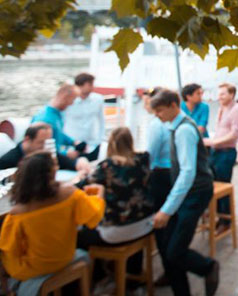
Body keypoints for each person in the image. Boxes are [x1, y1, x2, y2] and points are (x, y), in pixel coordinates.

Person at [0, 151, 105, 296]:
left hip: (35, 267)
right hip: (65, 256)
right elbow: (93, 216)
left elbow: (9, 249)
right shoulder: (69, 194)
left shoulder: (18, 213)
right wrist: (98, 196)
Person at [149, 89, 219, 296]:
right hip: (190, 192)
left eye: (160, 110)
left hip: (195, 192)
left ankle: (207, 267)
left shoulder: (184, 131)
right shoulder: (176, 126)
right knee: (172, 249)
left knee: (175, 250)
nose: (157, 115)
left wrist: (167, 209)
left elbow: (188, 172)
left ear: (173, 105)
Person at [75, 128, 154, 283]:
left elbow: (81, 186)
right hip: (146, 225)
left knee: (80, 236)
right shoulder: (144, 159)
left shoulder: (107, 167)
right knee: (132, 214)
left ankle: (95, 276)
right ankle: (132, 274)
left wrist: (81, 177)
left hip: (117, 232)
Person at [204, 83, 238, 229]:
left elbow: (235, 134)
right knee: (214, 183)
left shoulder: (237, 109)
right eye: (219, 94)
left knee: (223, 184)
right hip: (216, 150)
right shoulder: (222, 108)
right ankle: (217, 214)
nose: (219, 97)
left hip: (226, 151)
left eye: (222, 94)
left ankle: (225, 219)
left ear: (231, 94)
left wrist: (214, 141)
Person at [0, 122, 83, 172]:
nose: (45, 147)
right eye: (41, 143)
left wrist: (78, 163)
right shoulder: (8, 161)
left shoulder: (45, 151)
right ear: (27, 139)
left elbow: (66, 161)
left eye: (47, 142)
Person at [62, 72, 104, 160]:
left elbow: (101, 121)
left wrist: (99, 140)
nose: (93, 87)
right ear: (80, 85)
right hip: (72, 144)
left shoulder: (98, 99)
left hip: (92, 143)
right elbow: (62, 120)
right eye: (90, 84)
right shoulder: (69, 101)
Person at [31, 83, 80, 158]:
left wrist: (73, 142)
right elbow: (41, 145)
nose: (72, 104)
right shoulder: (44, 119)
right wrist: (65, 153)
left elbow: (58, 134)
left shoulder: (57, 114)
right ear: (65, 97)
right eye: (72, 100)